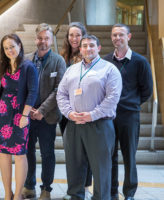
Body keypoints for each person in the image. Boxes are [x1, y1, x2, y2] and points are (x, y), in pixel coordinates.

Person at [57, 34, 122, 199]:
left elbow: (112, 98)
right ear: (80, 49)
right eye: (84, 46)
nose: (88, 49)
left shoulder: (109, 69)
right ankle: (75, 196)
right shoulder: (72, 69)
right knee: (74, 166)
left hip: (99, 125)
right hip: (73, 125)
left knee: (101, 168)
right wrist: (69, 113)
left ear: (99, 48)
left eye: (92, 45)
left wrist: (92, 115)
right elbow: (61, 94)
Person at [104, 23, 153, 200]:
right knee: (110, 156)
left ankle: (129, 193)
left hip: (129, 116)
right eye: (114, 35)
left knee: (129, 156)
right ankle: (111, 192)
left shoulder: (140, 61)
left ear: (129, 37)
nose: (117, 38)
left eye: (121, 35)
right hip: (109, 116)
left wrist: (132, 103)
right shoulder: (106, 61)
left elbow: (147, 90)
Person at [21, 23, 66, 200]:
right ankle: (29, 186)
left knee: (47, 153)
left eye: (46, 38)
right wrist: (27, 110)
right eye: (40, 38)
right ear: (35, 39)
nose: (43, 42)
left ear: (51, 40)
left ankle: (46, 188)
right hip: (28, 116)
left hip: (47, 117)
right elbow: (22, 86)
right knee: (28, 151)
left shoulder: (58, 60)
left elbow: (59, 90)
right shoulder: (26, 59)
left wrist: (41, 110)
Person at [0, 33, 38, 200]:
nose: (9, 50)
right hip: (1, 115)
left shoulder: (28, 66)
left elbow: (33, 92)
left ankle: (18, 194)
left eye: (12, 46)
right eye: (6, 48)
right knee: (3, 154)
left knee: (19, 154)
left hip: (20, 115)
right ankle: (7, 193)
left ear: (19, 45)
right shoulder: (4, 66)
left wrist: (25, 115)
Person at [59, 22, 93, 199]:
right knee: (72, 154)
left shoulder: (88, 55)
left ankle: (86, 188)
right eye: (71, 35)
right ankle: (74, 188)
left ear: (83, 36)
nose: (74, 38)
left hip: (84, 112)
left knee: (86, 151)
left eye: (77, 35)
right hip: (66, 114)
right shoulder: (62, 57)